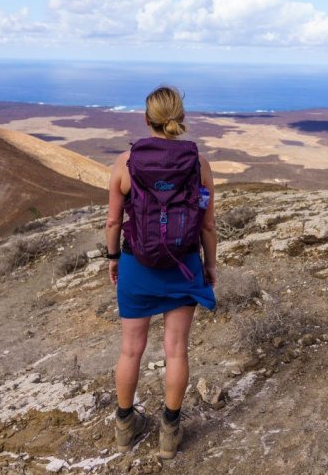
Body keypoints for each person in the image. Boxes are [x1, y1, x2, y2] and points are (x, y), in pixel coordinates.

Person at [105, 86, 217, 459]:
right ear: (181, 119)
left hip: (137, 265)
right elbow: (208, 226)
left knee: (131, 349)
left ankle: (125, 426)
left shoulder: (125, 162)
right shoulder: (198, 163)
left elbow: (112, 221)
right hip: (184, 267)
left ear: (145, 119)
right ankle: (169, 432)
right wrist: (210, 266)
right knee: (176, 351)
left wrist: (113, 258)